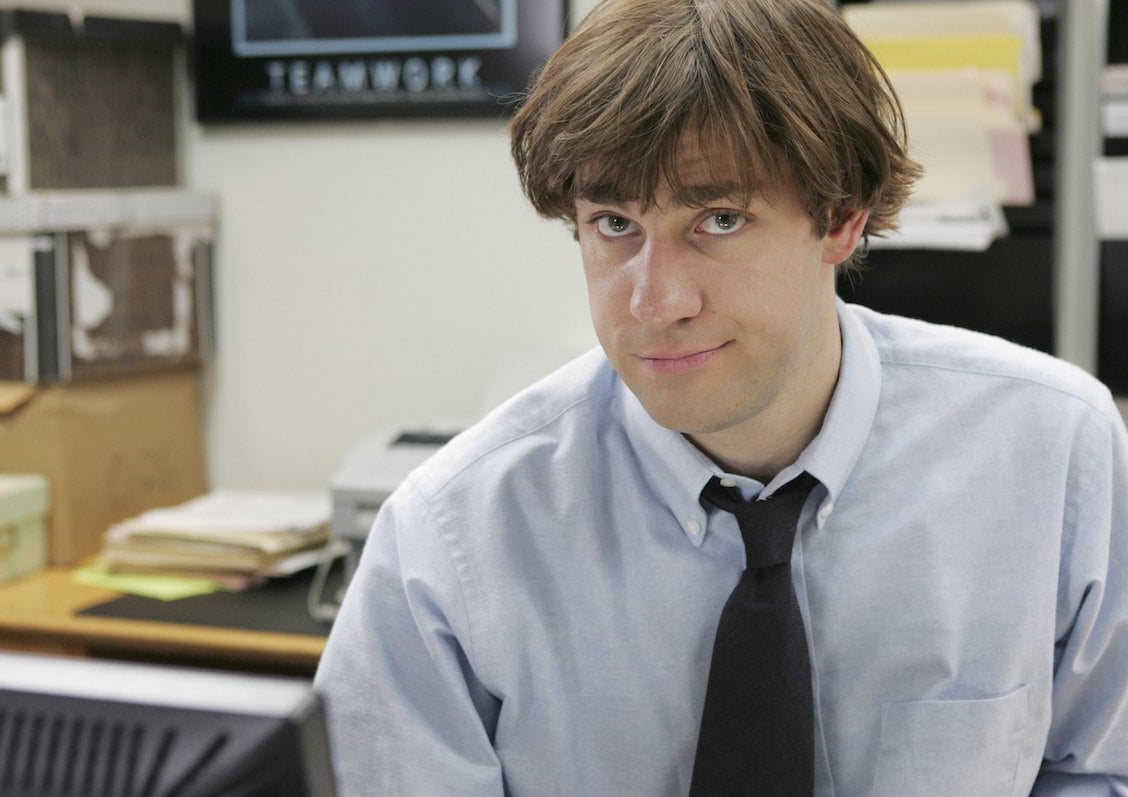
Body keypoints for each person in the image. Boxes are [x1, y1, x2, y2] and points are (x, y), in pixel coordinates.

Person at [314, 0, 1128, 793]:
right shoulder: (452, 538)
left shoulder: (1055, 453)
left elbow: (1099, 770)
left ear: (842, 219)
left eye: (721, 219)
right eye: (613, 225)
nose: (654, 301)